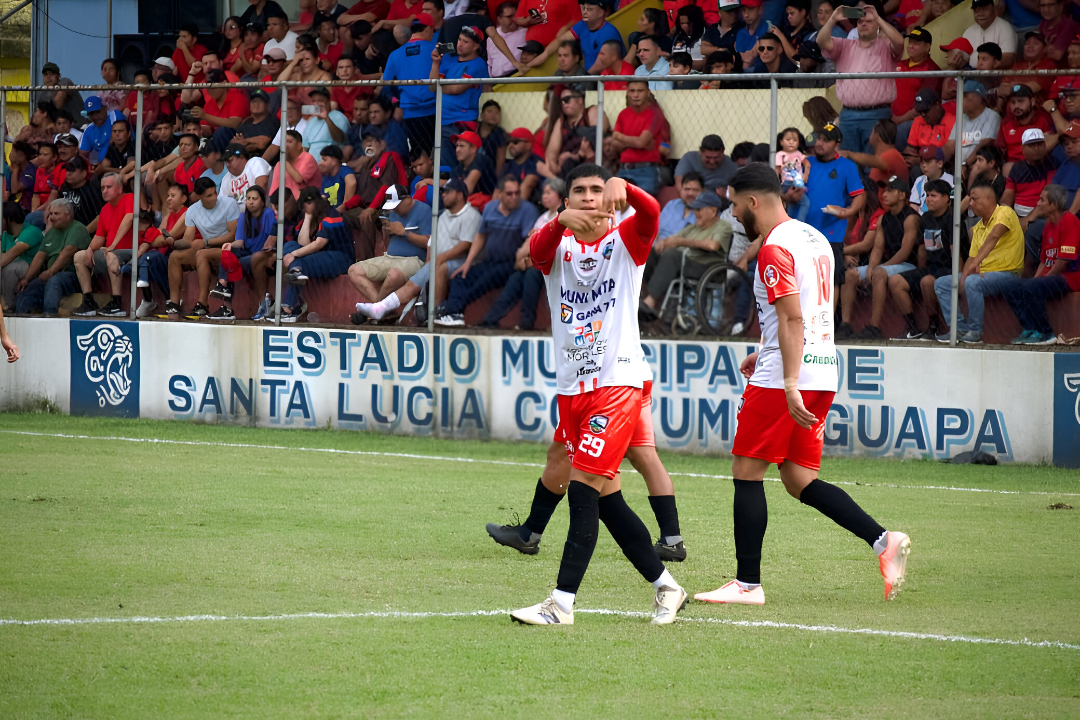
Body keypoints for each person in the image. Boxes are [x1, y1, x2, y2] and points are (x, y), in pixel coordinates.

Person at [694, 163, 910, 608]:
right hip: (823, 367)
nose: (734, 214)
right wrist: (771, 349)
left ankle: (748, 584)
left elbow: (793, 316)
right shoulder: (815, 239)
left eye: (736, 205)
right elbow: (811, 310)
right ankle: (883, 541)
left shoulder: (773, 248)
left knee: (746, 469)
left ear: (754, 201)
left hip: (786, 379)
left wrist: (787, 379)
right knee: (799, 478)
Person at [509, 164, 687, 626]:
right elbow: (535, 250)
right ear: (566, 199)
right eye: (579, 191)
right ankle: (667, 587)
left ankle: (561, 603)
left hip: (617, 385)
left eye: (596, 189)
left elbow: (649, 214)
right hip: (571, 390)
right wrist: (557, 221)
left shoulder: (626, 240)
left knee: (584, 491)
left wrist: (625, 187)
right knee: (609, 500)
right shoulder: (558, 245)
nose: (590, 197)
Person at [355, 177, 480, 321]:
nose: (443, 195)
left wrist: (438, 258)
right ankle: (380, 308)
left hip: (461, 261)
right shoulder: (444, 216)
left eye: (448, 192)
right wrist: (430, 260)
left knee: (438, 267)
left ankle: (436, 313)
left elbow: (466, 245)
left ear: (460, 194)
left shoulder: (471, 214)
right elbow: (432, 242)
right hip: (438, 260)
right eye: (443, 192)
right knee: (413, 284)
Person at [434, 175, 538, 325]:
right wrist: (467, 263)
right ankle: (454, 314)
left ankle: (452, 310)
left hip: (512, 264)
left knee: (484, 281)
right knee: (460, 277)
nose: (514, 197)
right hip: (490, 261)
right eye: (509, 194)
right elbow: (480, 236)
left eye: (517, 193)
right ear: (500, 194)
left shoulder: (527, 210)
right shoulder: (490, 208)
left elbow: (528, 242)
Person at [934, 179, 1024, 343]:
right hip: (983, 275)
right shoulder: (977, 228)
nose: (970, 204)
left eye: (974, 199)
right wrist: (963, 277)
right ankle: (959, 329)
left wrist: (971, 271)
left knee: (972, 283)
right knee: (941, 283)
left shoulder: (1004, 212)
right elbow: (971, 258)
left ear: (989, 199)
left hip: (1007, 273)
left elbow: (994, 236)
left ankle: (975, 331)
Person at [817, 4, 905, 155]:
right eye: (859, 21)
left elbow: (900, 42)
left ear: (877, 24)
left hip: (877, 115)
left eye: (869, 21)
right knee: (849, 164)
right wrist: (833, 19)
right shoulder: (845, 45)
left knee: (874, 165)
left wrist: (878, 17)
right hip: (848, 115)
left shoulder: (886, 45)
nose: (863, 23)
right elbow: (821, 41)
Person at [842, 175, 920, 339]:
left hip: (908, 266)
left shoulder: (911, 217)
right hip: (889, 265)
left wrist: (879, 269)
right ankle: (846, 324)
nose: (884, 194)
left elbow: (905, 252)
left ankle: (874, 326)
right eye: (884, 191)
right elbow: (877, 248)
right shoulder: (884, 217)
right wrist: (870, 268)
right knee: (850, 275)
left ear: (902, 195)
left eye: (890, 191)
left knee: (879, 272)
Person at [479, 176, 563, 329]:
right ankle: (491, 319)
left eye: (549, 192)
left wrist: (527, 260)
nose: (544, 196)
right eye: (543, 192)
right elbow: (528, 243)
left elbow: (555, 246)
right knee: (516, 278)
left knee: (531, 274)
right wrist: (521, 259)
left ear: (560, 195)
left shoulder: (562, 217)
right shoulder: (543, 218)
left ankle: (527, 321)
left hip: (553, 264)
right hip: (535, 261)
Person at [887, 179, 966, 340]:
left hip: (948, 269)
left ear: (946, 198)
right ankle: (913, 329)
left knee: (927, 282)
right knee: (895, 281)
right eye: (927, 195)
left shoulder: (954, 220)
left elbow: (958, 253)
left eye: (933, 195)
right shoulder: (926, 218)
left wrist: (959, 279)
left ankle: (933, 326)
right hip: (930, 267)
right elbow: (923, 247)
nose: (928, 199)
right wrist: (919, 270)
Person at [1005, 184, 1079, 344]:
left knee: (1032, 287)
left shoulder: (1069, 220)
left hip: (1071, 277)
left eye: (1042, 200)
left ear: (1054, 204)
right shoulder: (1047, 226)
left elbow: (1064, 260)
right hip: (1054, 276)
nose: (1038, 203)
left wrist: (1038, 282)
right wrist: (1036, 279)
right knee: (1010, 288)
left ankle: (1046, 332)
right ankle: (1029, 328)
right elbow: (1045, 261)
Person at [640, 192, 732, 317]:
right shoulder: (694, 227)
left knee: (673, 255)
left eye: (699, 209)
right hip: (688, 264)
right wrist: (663, 244)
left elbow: (713, 245)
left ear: (712, 210)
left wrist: (682, 242)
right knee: (650, 254)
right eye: (695, 210)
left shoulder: (723, 226)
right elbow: (673, 239)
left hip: (709, 267)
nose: (696, 213)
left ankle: (650, 301)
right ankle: (647, 293)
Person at [801, 123, 866, 299]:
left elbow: (859, 195)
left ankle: (828, 322)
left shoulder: (847, 166)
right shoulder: (806, 163)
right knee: (805, 279)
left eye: (826, 140)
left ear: (836, 144)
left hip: (831, 232)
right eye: (819, 139)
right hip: (804, 231)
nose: (820, 143)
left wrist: (849, 212)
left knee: (831, 278)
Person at [166, 177, 240, 317]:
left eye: (215, 193)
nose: (214, 197)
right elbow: (188, 239)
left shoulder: (229, 204)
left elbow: (232, 235)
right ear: (199, 196)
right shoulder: (193, 210)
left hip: (228, 248)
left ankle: (202, 304)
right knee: (174, 257)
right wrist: (172, 242)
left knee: (200, 253)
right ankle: (174, 304)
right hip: (207, 248)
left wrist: (207, 242)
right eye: (209, 195)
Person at [348, 184, 431, 302]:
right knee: (354, 270)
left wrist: (404, 232)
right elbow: (388, 244)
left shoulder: (424, 210)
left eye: (397, 205)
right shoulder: (392, 214)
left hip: (414, 260)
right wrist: (386, 232)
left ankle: (376, 309)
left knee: (394, 274)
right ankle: (379, 307)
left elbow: (429, 242)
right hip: (390, 257)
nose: (395, 209)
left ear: (407, 198)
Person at [206, 186, 278, 320]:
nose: (251, 202)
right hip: (247, 253)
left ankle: (225, 293)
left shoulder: (268, 214)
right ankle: (223, 287)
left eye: (255, 199)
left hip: (262, 254)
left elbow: (271, 240)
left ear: (262, 201)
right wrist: (230, 245)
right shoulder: (243, 216)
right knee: (228, 254)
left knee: (235, 263)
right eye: (248, 199)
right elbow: (239, 242)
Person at [14, 200, 93, 316]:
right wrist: (26, 278)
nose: (51, 217)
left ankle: (50, 316)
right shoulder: (51, 233)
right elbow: (40, 256)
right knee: (29, 287)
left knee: (54, 281)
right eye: (50, 214)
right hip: (52, 273)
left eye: (56, 214)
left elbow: (67, 254)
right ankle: (21, 317)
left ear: (69, 215)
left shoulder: (78, 228)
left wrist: (51, 272)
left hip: (73, 275)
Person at [71, 173, 134, 318]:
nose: (104, 191)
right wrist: (89, 250)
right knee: (79, 256)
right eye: (102, 188)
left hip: (130, 250)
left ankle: (117, 303)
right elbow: (99, 236)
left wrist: (113, 245)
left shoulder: (129, 198)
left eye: (109, 187)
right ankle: (88, 301)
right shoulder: (105, 209)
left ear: (119, 188)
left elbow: (129, 218)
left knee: (111, 255)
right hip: (110, 251)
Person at [383, 13, 438, 155]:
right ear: (428, 29)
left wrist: (396, 102)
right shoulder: (436, 50)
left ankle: (418, 177)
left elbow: (385, 85)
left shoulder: (395, 54)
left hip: (409, 111)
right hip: (434, 109)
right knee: (435, 153)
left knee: (417, 154)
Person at [607, 81, 667, 197]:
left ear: (648, 93)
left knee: (644, 211)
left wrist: (620, 138)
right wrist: (638, 142)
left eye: (640, 91)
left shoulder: (655, 114)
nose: (636, 95)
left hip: (646, 171)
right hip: (624, 169)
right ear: (627, 93)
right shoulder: (623, 114)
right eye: (632, 91)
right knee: (616, 209)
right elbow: (614, 144)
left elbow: (640, 142)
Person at [528, 0, 622, 73]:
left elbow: (601, 65)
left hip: (606, 77)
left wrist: (581, 79)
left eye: (589, 9)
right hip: (589, 76)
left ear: (601, 13)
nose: (584, 12)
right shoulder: (582, 25)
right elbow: (560, 40)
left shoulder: (609, 32)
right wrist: (542, 57)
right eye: (584, 8)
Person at [1002, 128, 1058, 219]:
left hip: (1044, 215)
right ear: (1023, 149)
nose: (1036, 148)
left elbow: (1050, 195)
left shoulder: (1053, 164)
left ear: (1044, 146)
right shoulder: (1017, 169)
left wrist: (1028, 219)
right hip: (1018, 216)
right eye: (1031, 145)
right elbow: (1007, 197)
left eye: (1039, 144)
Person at [945, 80, 1000, 165]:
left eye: (964, 96)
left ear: (979, 97)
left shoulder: (992, 116)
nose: (960, 100)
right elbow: (950, 145)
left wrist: (966, 165)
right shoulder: (961, 118)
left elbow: (983, 145)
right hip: (958, 167)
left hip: (979, 166)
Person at [1, 203, 44, 310]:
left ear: (9, 218)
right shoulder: (6, 234)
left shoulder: (31, 231)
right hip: (15, 266)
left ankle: (10, 306)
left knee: (9, 269)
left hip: (32, 269)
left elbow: (6, 258)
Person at [674, 135, 740, 196]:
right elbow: (679, 183)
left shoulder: (731, 165)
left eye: (716, 157)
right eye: (708, 157)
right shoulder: (689, 159)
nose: (712, 161)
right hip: (694, 198)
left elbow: (739, 189)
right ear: (701, 152)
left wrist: (727, 194)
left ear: (722, 152)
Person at [962, 0, 1015, 69]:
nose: (980, 14)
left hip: (997, 76)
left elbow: (1008, 59)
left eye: (984, 9)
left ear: (994, 10)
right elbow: (962, 58)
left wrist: (984, 66)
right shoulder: (968, 32)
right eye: (977, 10)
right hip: (972, 74)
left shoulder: (1005, 27)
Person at [270, 130, 322, 197]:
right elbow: (274, 189)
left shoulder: (307, 158)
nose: (285, 145)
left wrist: (284, 160)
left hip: (308, 201)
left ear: (299, 145)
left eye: (289, 142)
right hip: (286, 203)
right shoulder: (279, 165)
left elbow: (298, 179)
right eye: (283, 142)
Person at [219, 144, 272, 210]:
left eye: (230, 160)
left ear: (241, 156)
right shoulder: (226, 179)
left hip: (262, 212)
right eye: (226, 162)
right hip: (240, 217)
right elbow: (222, 204)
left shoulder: (255, 162)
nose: (227, 164)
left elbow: (262, 184)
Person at [909, 146, 953, 214]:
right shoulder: (919, 180)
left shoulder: (951, 180)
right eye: (922, 162)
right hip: (922, 220)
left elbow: (952, 206)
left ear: (940, 163)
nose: (923, 165)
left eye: (927, 162)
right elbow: (913, 205)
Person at [503, 127, 542, 202]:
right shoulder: (507, 165)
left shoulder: (535, 162)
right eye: (508, 142)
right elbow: (498, 192)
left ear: (529, 145)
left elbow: (522, 196)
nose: (510, 145)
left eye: (515, 142)